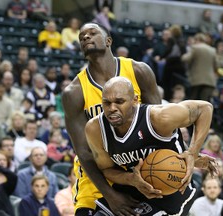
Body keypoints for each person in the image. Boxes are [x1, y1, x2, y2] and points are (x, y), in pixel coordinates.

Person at [62, 22, 162, 215]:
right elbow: (84, 152)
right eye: (82, 37)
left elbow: (158, 127)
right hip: (96, 178)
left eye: (92, 33)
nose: (85, 37)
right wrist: (110, 194)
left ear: (108, 40)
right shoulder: (74, 92)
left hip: (137, 169)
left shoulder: (139, 71)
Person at [85, 76, 217, 215]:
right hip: (133, 188)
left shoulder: (160, 117)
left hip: (171, 189)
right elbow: (107, 169)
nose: (112, 108)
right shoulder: (95, 129)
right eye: (106, 103)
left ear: (135, 100)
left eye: (119, 102)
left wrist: (192, 153)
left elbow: (205, 108)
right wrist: (131, 180)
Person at [181, 33, 217, 101]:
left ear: (197, 40)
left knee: (193, 104)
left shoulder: (195, 47)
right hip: (210, 81)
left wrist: (182, 56)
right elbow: (216, 65)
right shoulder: (212, 50)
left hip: (197, 80)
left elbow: (186, 59)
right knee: (204, 104)